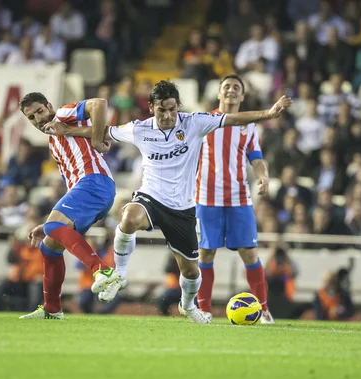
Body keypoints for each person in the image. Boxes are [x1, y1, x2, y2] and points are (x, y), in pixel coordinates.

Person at [45, 80, 292, 323]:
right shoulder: (139, 128)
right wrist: (68, 131)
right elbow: (103, 131)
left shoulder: (194, 123)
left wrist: (268, 114)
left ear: (178, 106)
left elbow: (234, 119)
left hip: (183, 208)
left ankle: (188, 306)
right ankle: (119, 273)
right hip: (151, 197)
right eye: (162, 110)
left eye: (172, 109)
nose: (167, 115)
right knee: (129, 216)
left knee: (192, 272)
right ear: (152, 108)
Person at [18, 93, 118, 320]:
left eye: (40, 112)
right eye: (31, 117)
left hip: (94, 181)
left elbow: (100, 103)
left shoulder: (63, 114)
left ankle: (102, 270)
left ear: (49, 107)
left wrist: (91, 138)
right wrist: (48, 225)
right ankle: (52, 309)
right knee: (49, 247)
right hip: (87, 190)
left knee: (53, 227)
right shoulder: (54, 142)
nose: (38, 120)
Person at [194, 74, 274, 323]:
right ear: (219, 93)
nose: (230, 90)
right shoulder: (203, 121)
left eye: (236, 88)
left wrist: (263, 176)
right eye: (226, 86)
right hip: (206, 198)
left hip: (238, 198)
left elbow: (256, 158)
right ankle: (204, 309)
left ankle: (264, 309)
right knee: (205, 254)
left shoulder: (249, 126)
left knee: (249, 253)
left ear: (242, 96)